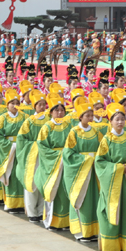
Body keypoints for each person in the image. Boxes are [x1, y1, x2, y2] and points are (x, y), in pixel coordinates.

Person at [94, 103, 126, 251]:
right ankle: (112, 244)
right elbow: (100, 162)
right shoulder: (107, 139)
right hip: (112, 182)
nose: (120, 122)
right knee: (112, 209)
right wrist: (118, 169)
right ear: (111, 121)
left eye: (122, 119)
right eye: (117, 119)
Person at [63, 97, 103, 241]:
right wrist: (86, 160)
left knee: (95, 199)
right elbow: (68, 153)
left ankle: (94, 230)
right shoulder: (74, 132)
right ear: (80, 117)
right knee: (82, 198)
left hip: (94, 170)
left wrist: (98, 160)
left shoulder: (96, 132)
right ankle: (81, 231)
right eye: (87, 115)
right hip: (81, 171)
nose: (90, 118)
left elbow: (103, 149)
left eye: (92, 115)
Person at [32, 95, 74, 230]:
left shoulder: (68, 125)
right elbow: (42, 146)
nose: (60, 113)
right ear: (51, 112)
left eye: (62, 110)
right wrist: (59, 155)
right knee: (53, 191)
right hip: (53, 164)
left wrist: (68, 154)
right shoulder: (47, 127)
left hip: (66, 162)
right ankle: (52, 221)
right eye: (57, 110)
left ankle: (66, 222)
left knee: (65, 192)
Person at [16, 91, 49, 222]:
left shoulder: (48, 120)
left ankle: (41, 211)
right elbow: (21, 139)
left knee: (43, 183)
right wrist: (36, 145)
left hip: (45, 156)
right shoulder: (29, 121)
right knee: (32, 183)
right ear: (34, 106)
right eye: (39, 104)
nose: (42, 107)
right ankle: (31, 212)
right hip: (32, 157)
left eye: (44, 104)